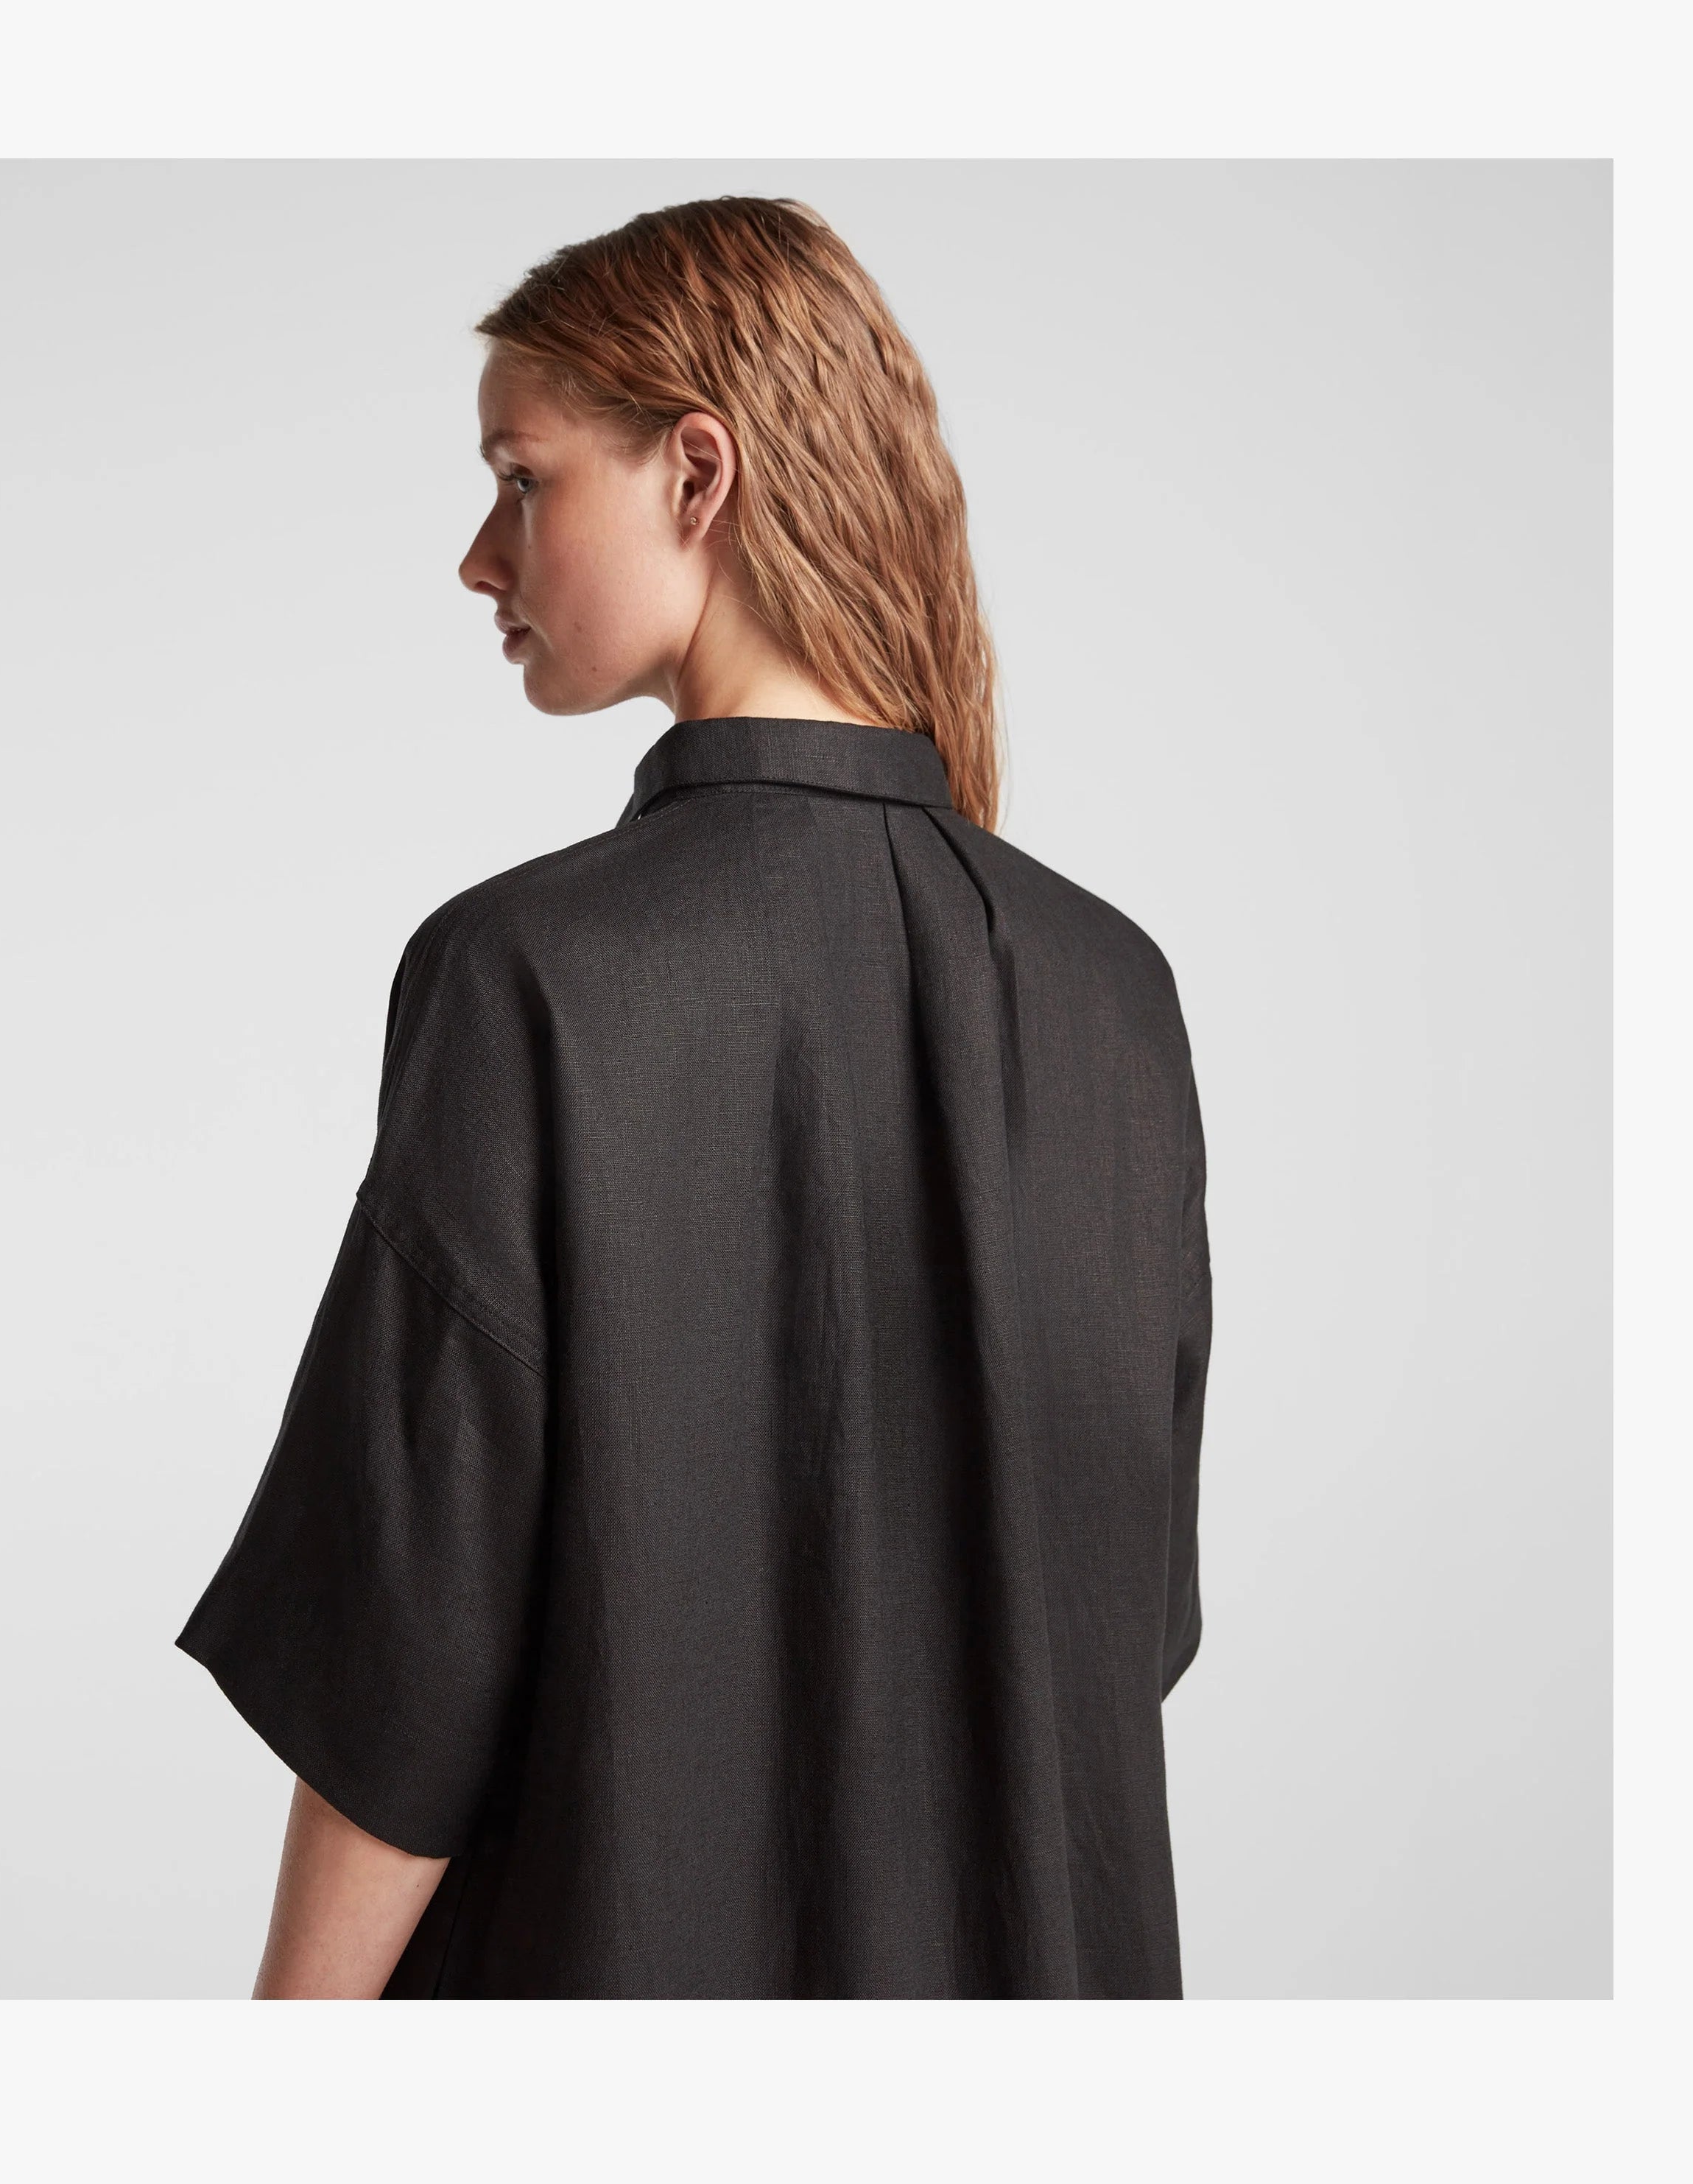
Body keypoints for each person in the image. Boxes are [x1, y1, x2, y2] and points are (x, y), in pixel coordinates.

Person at [175, 195, 1213, 1999]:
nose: (480, 558)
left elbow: (405, 1666)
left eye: (521, 480)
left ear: (697, 473)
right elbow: (1126, 1630)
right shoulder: (1117, 994)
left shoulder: (529, 978)